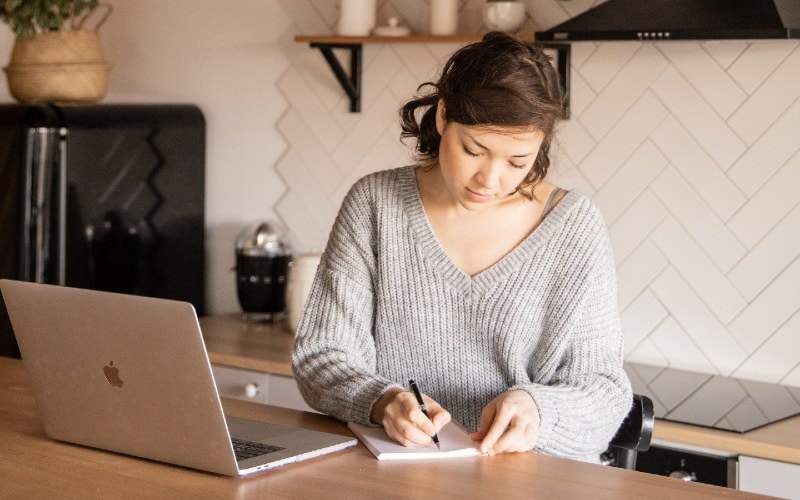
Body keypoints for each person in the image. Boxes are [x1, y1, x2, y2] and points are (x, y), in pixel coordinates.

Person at [292, 32, 632, 463]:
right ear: (442, 117)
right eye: (474, 150)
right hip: (397, 480)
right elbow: (321, 357)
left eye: (517, 162)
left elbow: (604, 390)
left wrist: (538, 409)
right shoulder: (375, 205)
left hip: (527, 482)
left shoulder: (574, 227)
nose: (489, 180)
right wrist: (382, 401)